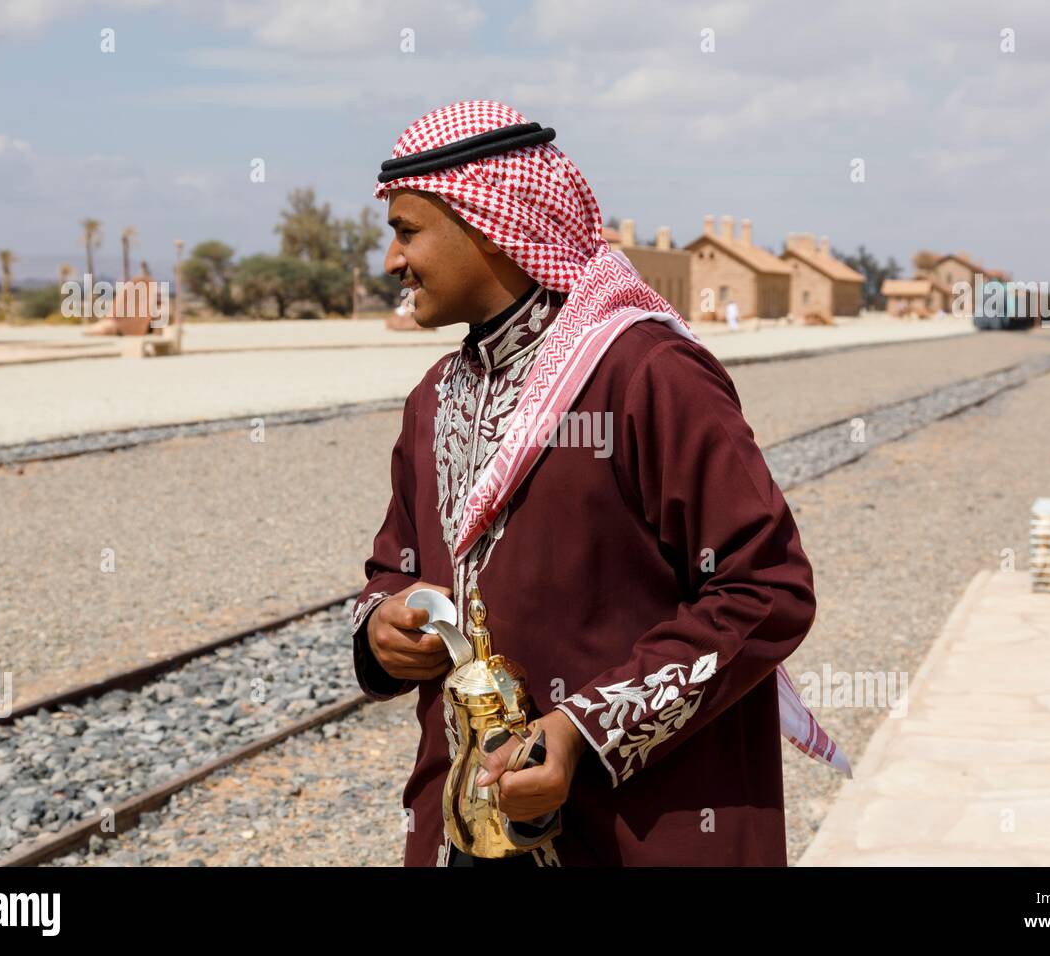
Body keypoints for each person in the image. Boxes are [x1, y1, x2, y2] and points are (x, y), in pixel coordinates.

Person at [351, 100, 848, 867]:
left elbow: (765, 589)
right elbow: (398, 566)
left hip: (636, 831)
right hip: (471, 835)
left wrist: (585, 730)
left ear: (489, 223)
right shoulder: (434, 399)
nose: (392, 263)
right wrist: (384, 623)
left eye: (407, 232)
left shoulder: (645, 375)